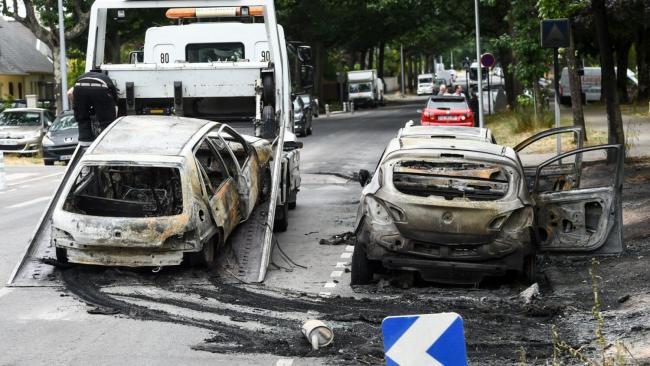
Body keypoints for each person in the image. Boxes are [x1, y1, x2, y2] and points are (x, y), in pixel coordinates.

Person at [73, 70, 118, 146]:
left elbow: (70, 93)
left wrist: (78, 107)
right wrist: (113, 105)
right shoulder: (105, 77)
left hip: (79, 88)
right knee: (106, 119)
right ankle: (106, 139)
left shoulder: (82, 76)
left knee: (82, 116)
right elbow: (113, 94)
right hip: (100, 89)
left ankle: (84, 140)